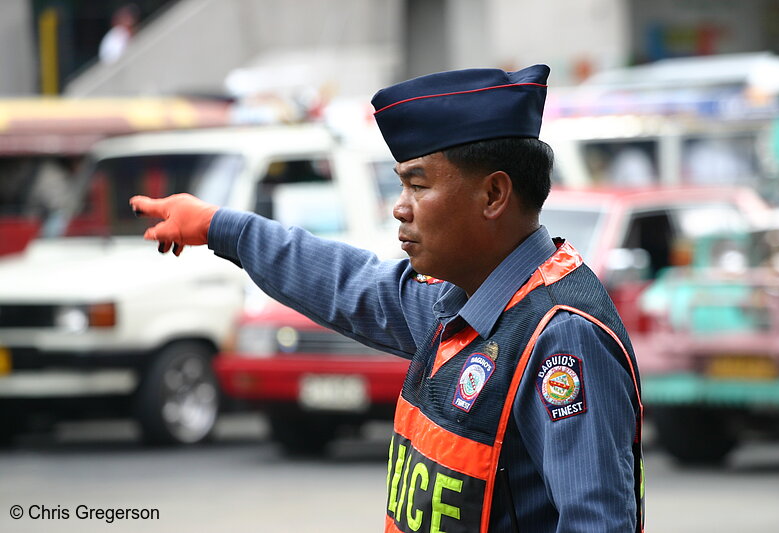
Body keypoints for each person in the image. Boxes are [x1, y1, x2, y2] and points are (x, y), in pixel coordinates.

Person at [130, 65, 644, 533]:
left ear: (493, 196)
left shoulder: (561, 336)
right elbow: (347, 284)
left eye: (417, 186)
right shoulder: (463, 300)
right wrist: (221, 227)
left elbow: (597, 525)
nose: (400, 209)